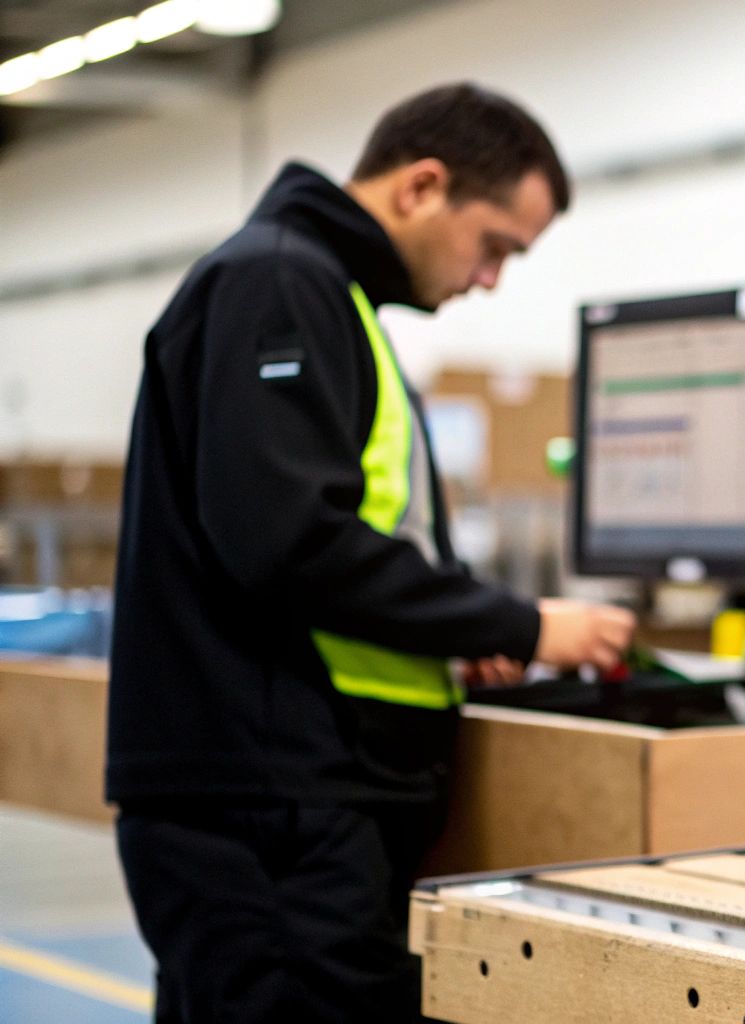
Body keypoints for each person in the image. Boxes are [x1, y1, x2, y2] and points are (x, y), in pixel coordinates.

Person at [107, 83, 634, 1022]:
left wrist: (444, 629)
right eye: (497, 246)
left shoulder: (323, 294)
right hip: (269, 809)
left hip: (296, 801)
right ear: (423, 187)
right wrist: (523, 621)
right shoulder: (279, 282)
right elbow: (286, 542)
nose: (490, 280)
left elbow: (334, 530)